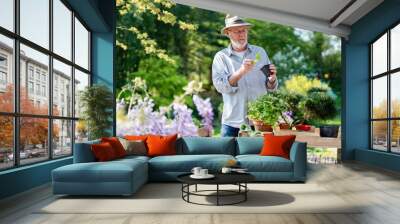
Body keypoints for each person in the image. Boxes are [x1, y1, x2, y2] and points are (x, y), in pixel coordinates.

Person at [212, 15, 278, 137]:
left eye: (244, 30)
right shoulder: (221, 57)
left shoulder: (260, 52)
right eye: (237, 31)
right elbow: (220, 87)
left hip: (261, 122)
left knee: (261, 156)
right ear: (228, 33)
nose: (241, 34)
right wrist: (241, 71)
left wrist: (272, 79)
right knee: (228, 156)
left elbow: (271, 87)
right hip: (232, 124)